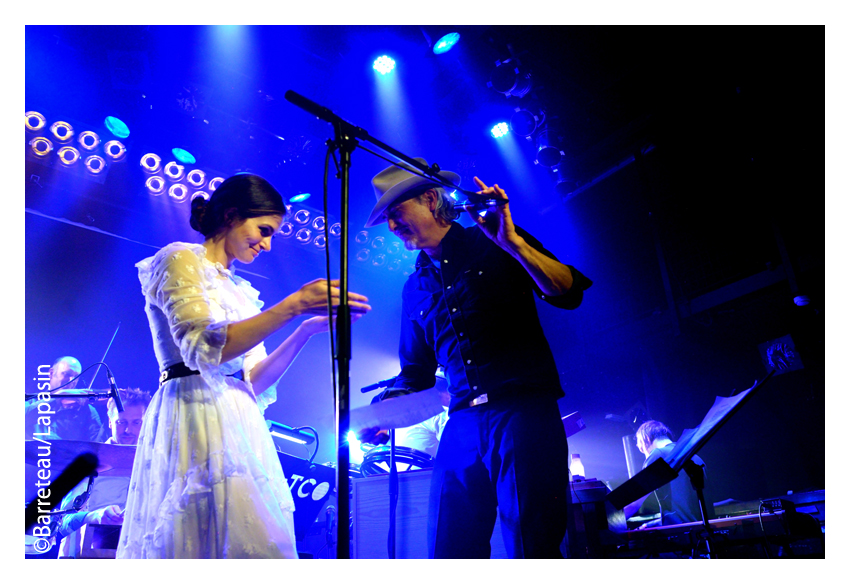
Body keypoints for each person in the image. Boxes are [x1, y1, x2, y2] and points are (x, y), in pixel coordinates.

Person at [116, 173, 371, 559]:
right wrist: (293, 305)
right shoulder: (180, 258)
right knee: (197, 536)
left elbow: (254, 377)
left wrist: (303, 329)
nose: (266, 244)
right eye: (263, 230)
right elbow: (205, 348)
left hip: (239, 420)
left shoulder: (240, 290)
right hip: (194, 409)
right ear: (232, 215)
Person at [359, 159, 592, 559]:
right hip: (463, 420)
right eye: (388, 220)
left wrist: (513, 243)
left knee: (533, 541)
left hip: (523, 410)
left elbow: (568, 292)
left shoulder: (496, 242)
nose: (393, 227)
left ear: (431, 199)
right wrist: (380, 416)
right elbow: (413, 372)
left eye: (397, 213)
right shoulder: (414, 287)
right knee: (450, 545)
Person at [54, 389, 150, 558]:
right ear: (110, 421)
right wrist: (95, 516)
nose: (128, 430)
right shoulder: (85, 463)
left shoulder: (156, 465)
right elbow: (63, 524)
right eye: (121, 422)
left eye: (137, 423)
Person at [623, 420, 705, 528]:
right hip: (703, 532)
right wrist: (648, 525)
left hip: (681, 535)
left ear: (646, 438)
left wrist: (611, 521)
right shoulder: (695, 456)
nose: (645, 455)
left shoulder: (658, 455)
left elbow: (634, 501)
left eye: (642, 449)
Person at [24, 356, 102, 442]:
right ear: (51, 373)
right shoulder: (31, 401)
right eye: (67, 374)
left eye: (76, 377)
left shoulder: (87, 410)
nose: (72, 380)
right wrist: (59, 396)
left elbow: (99, 446)